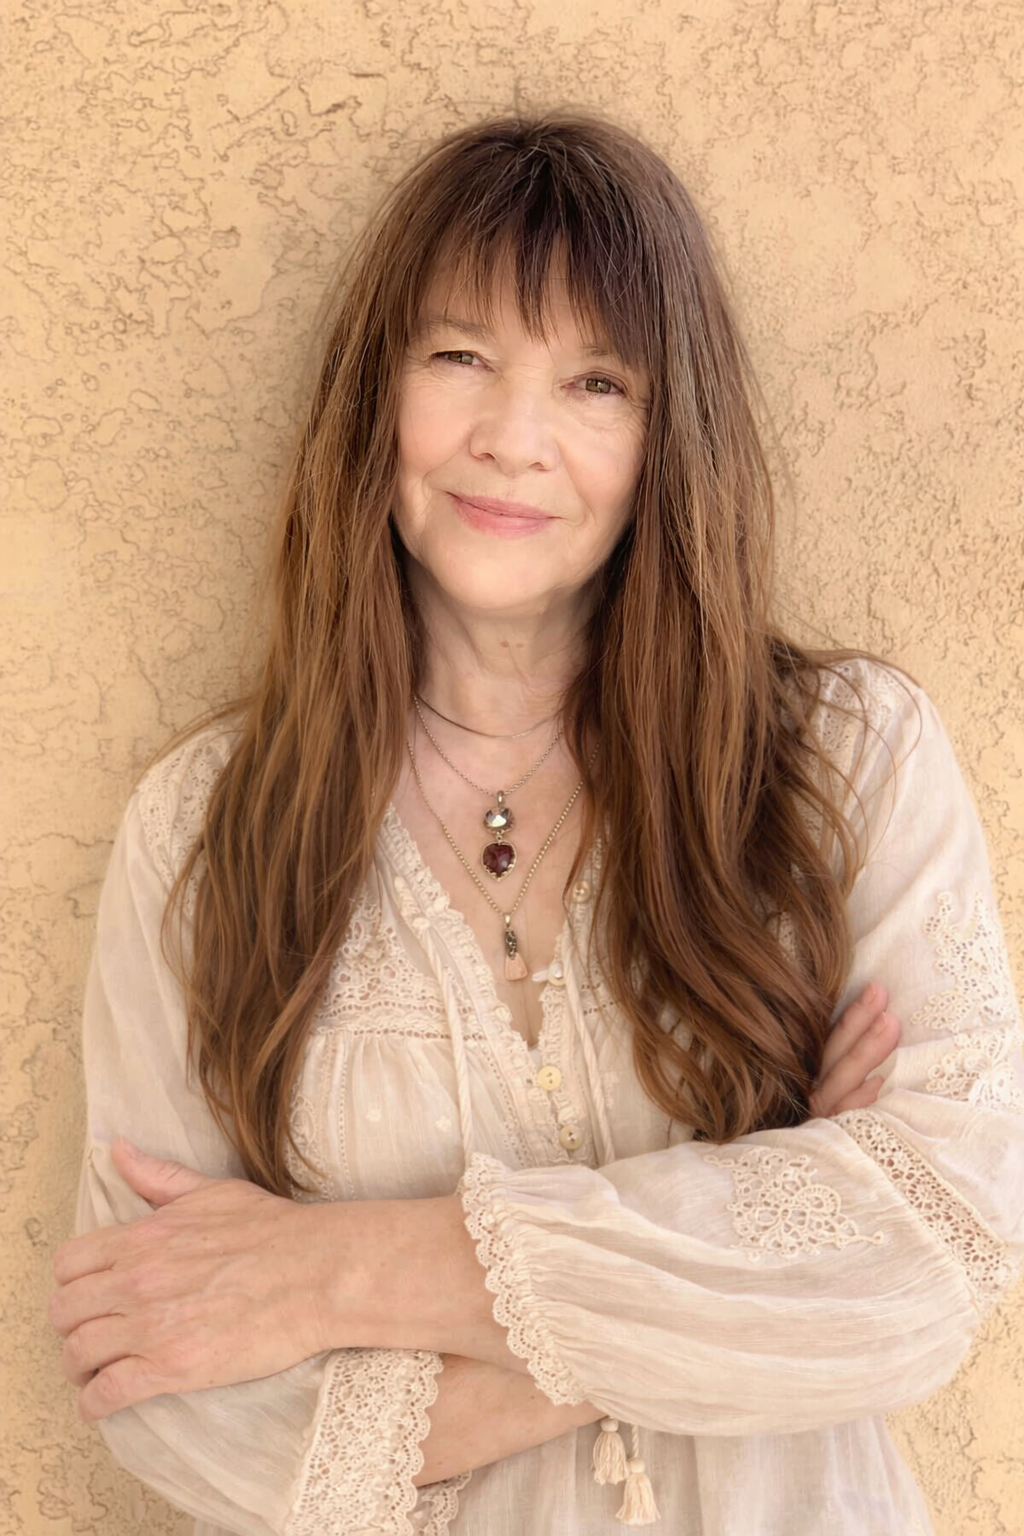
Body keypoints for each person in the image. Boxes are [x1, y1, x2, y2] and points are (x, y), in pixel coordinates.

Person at [48, 113, 1024, 1536]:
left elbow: (940, 1254)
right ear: (374, 397)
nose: (516, 440)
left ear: (665, 431)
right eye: (459, 360)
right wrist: (747, 1248)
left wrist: (338, 1274)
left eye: (595, 382)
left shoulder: (844, 764)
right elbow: (158, 1377)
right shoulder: (205, 830)